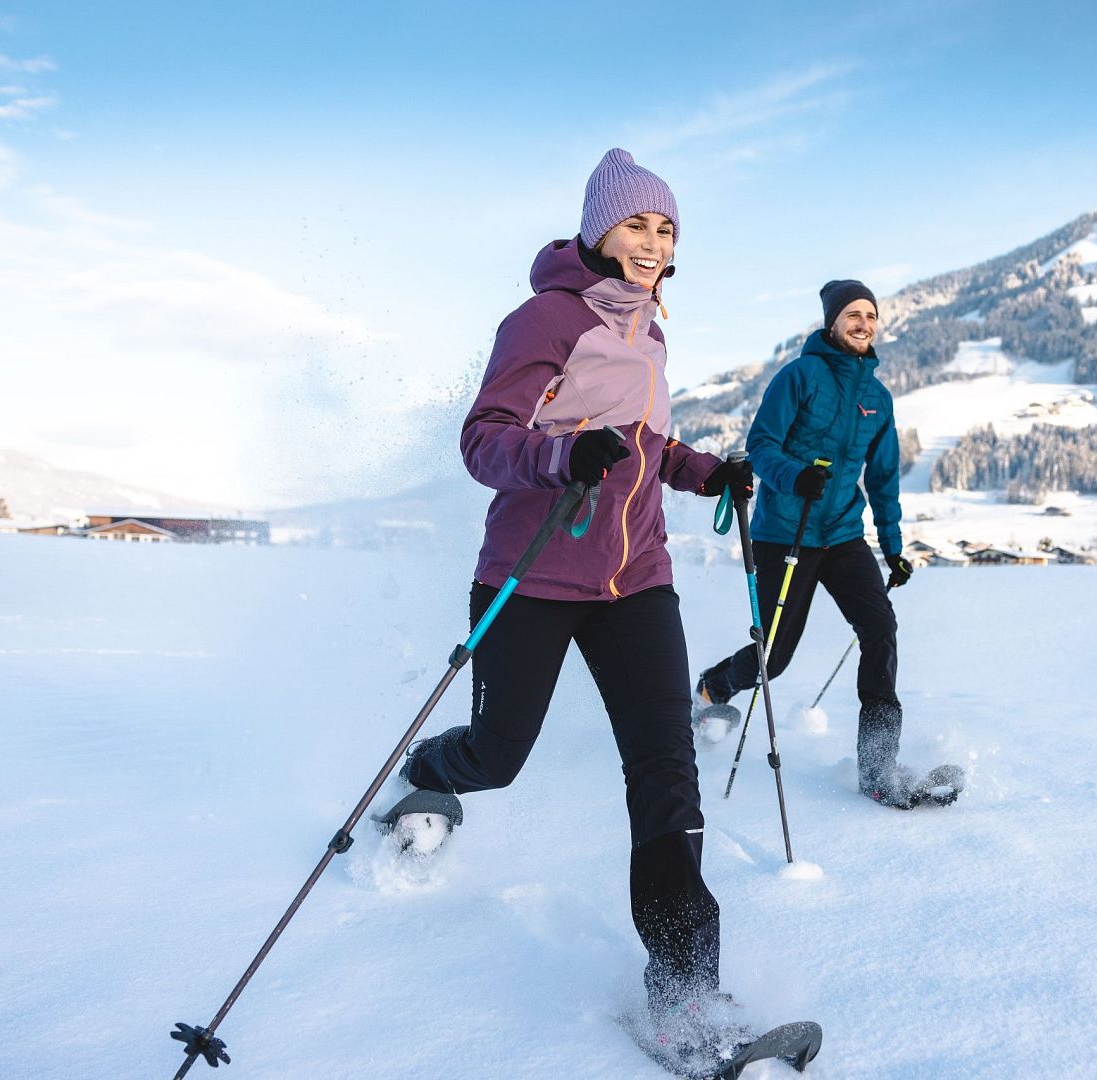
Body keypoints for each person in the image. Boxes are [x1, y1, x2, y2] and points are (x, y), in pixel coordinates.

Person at [391, 149, 755, 1053]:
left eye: (666, 229)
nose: (652, 242)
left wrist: (707, 472)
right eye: (637, 224)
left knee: (666, 769)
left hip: (639, 581)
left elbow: (644, 449)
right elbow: (484, 443)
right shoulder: (545, 318)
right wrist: (560, 455)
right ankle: (429, 774)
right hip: (537, 572)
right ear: (598, 229)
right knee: (499, 754)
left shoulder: (651, 333)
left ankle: (686, 990)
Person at [695, 280, 931, 807]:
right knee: (773, 658)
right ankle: (712, 689)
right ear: (832, 321)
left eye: (871, 315)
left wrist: (892, 546)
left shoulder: (878, 397)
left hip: (844, 533)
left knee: (880, 628)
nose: (863, 323)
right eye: (853, 314)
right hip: (787, 532)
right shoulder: (798, 376)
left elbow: (884, 477)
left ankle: (878, 766)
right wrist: (795, 476)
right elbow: (761, 445)